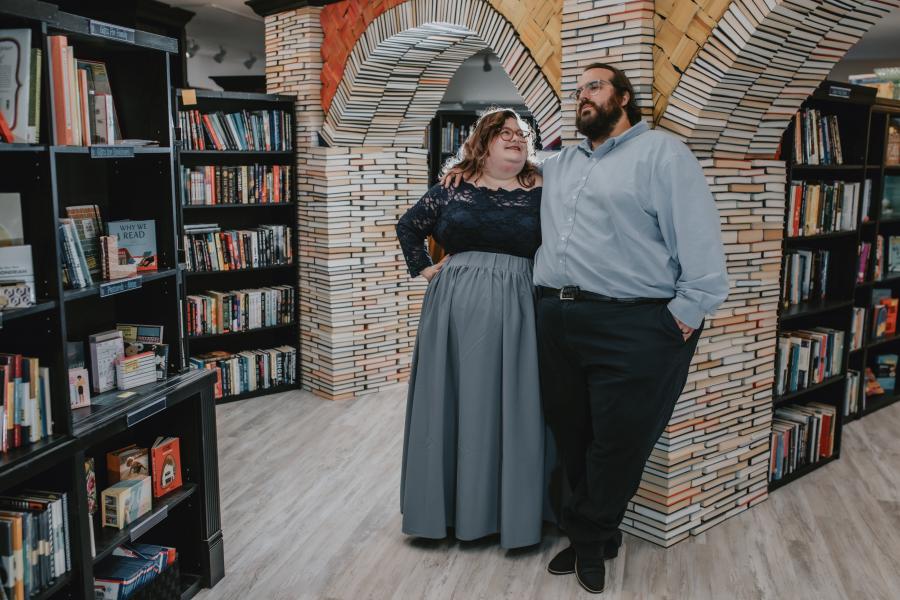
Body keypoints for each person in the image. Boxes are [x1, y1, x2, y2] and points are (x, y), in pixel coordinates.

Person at [534, 63, 729, 593]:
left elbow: (699, 239)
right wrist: (465, 170)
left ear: (624, 97)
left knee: (619, 443)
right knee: (574, 435)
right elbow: (503, 175)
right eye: (578, 92)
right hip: (556, 317)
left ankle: (590, 541)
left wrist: (684, 316)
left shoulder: (664, 154)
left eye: (594, 87)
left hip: (636, 324)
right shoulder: (561, 163)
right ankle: (596, 533)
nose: (583, 98)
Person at [396, 108, 548, 549]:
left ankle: (511, 514)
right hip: (455, 308)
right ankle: (446, 512)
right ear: (483, 142)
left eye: (522, 134)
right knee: (454, 403)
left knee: (516, 404)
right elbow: (409, 227)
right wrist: (425, 269)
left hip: (522, 304)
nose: (517, 139)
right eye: (506, 134)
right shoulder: (453, 186)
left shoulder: (544, 186)